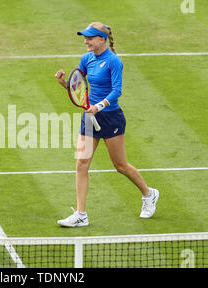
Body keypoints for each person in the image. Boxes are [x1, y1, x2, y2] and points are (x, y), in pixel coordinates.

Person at [55, 22, 160, 227]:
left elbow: (116, 91)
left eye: (90, 38)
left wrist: (99, 106)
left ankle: (149, 194)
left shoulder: (114, 61)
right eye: (85, 37)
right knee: (81, 164)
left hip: (110, 117)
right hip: (89, 117)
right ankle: (81, 214)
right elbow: (77, 87)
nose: (86, 41)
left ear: (102, 39)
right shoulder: (86, 59)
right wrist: (64, 83)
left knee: (120, 165)